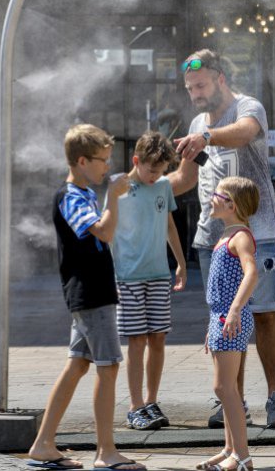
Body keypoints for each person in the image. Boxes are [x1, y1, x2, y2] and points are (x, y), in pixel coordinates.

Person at [168, 49, 275, 429]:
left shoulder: (246, 107)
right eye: (190, 88)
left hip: (258, 231)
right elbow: (185, 179)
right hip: (212, 237)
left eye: (201, 85)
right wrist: (144, 188)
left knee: (266, 314)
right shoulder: (196, 121)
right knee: (224, 318)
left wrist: (206, 136)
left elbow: (246, 133)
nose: (196, 94)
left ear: (221, 77)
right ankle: (231, 401)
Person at [27, 124, 145, 471]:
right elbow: (105, 232)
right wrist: (113, 197)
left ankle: (43, 444)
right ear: (81, 161)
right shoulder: (72, 196)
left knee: (78, 364)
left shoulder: (80, 194)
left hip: (90, 292)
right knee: (108, 368)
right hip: (91, 293)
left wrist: (112, 196)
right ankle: (106, 452)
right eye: (102, 160)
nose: (107, 166)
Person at [111, 131, 187, 432]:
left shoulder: (163, 186)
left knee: (158, 337)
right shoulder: (118, 187)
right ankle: (135, 405)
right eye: (151, 169)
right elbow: (107, 227)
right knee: (136, 341)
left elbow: (169, 224)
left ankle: (152, 400)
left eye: (162, 170)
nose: (156, 176)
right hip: (127, 276)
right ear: (136, 161)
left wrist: (180, 263)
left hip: (158, 273)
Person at [196, 176, 260, 471]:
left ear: (231, 205)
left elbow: (252, 274)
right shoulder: (227, 235)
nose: (211, 197)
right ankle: (230, 448)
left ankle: (242, 456)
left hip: (229, 317)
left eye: (217, 194)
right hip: (220, 317)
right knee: (227, 387)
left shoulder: (240, 237)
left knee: (224, 388)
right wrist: (214, 323)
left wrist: (234, 311)